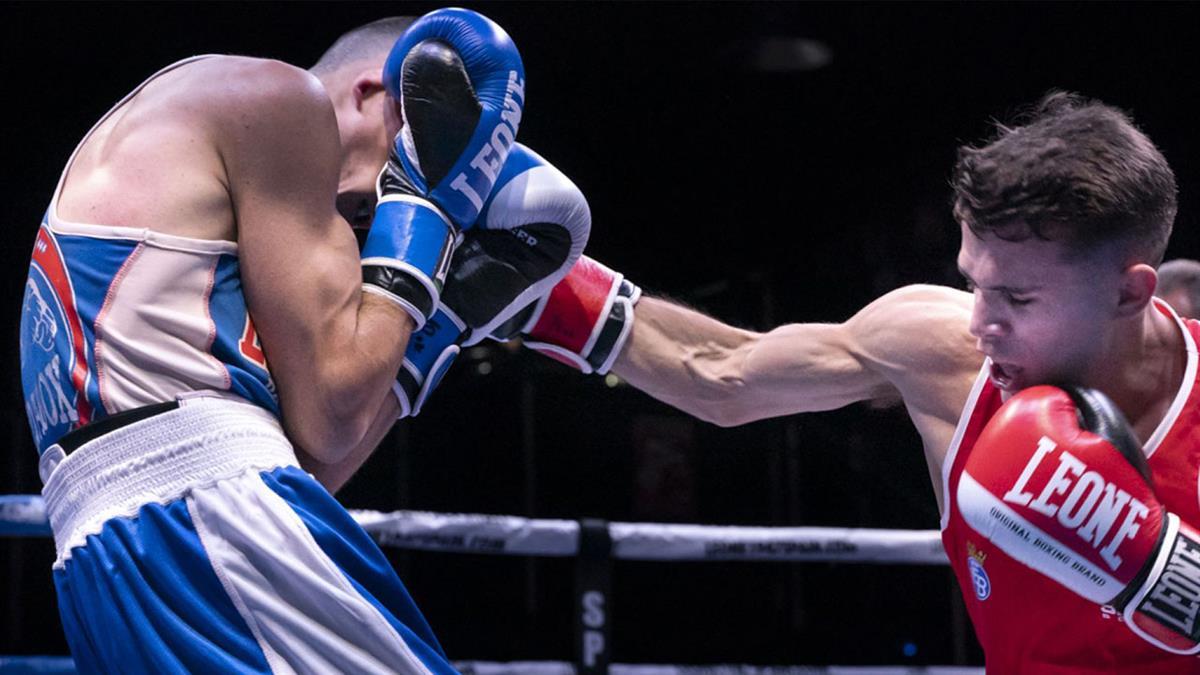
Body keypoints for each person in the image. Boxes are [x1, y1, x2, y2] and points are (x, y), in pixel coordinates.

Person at [511, 91, 1199, 670]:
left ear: (1129, 293)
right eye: (973, 283)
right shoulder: (942, 354)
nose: (982, 322)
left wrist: (1170, 577)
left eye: (1018, 299)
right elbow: (724, 374)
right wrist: (539, 284)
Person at [17, 8, 586, 672]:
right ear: (385, 94)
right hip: (204, 524)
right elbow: (335, 413)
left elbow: (315, 459)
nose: (372, 220)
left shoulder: (214, 211)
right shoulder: (279, 98)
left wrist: (438, 324)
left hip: (105, 561)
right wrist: (430, 205)